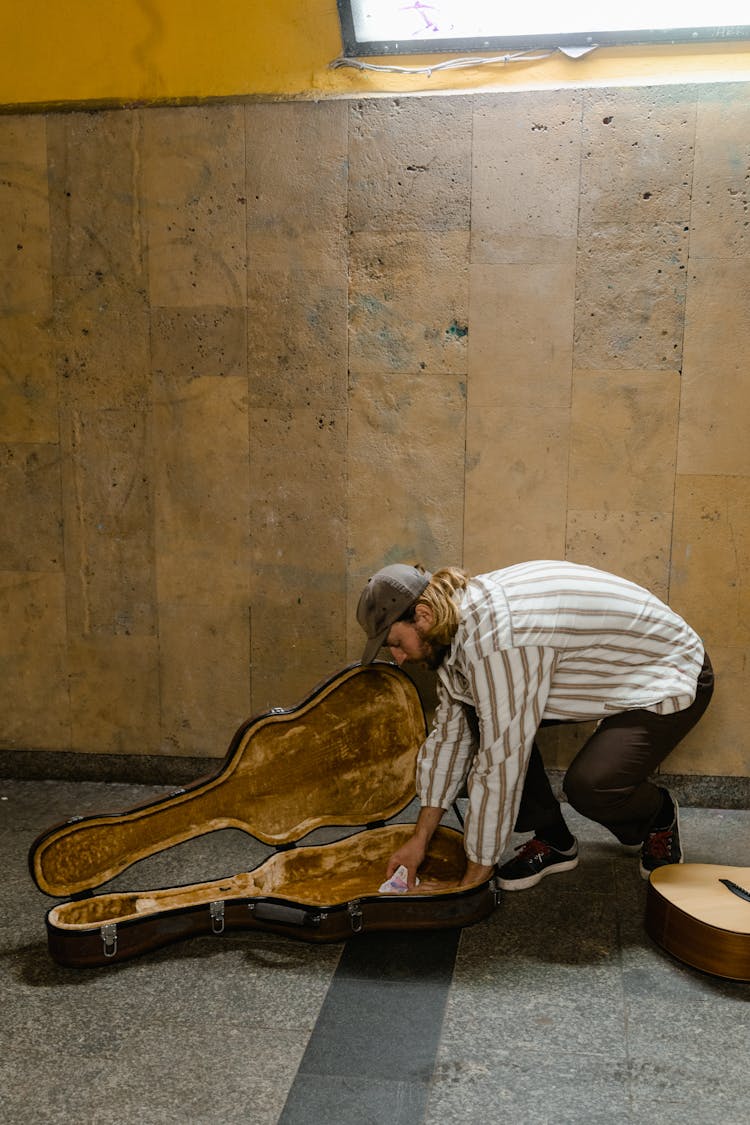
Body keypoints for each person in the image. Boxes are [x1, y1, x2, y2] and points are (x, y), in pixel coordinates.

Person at [356, 560, 714, 892]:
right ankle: (555, 841)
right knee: (478, 717)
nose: (399, 659)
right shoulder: (450, 627)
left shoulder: (499, 640)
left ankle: (659, 815)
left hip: (670, 672)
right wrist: (419, 840)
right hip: (607, 672)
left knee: (590, 786)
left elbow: (501, 760)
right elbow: (450, 739)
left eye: (396, 645)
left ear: (422, 615)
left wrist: (475, 878)